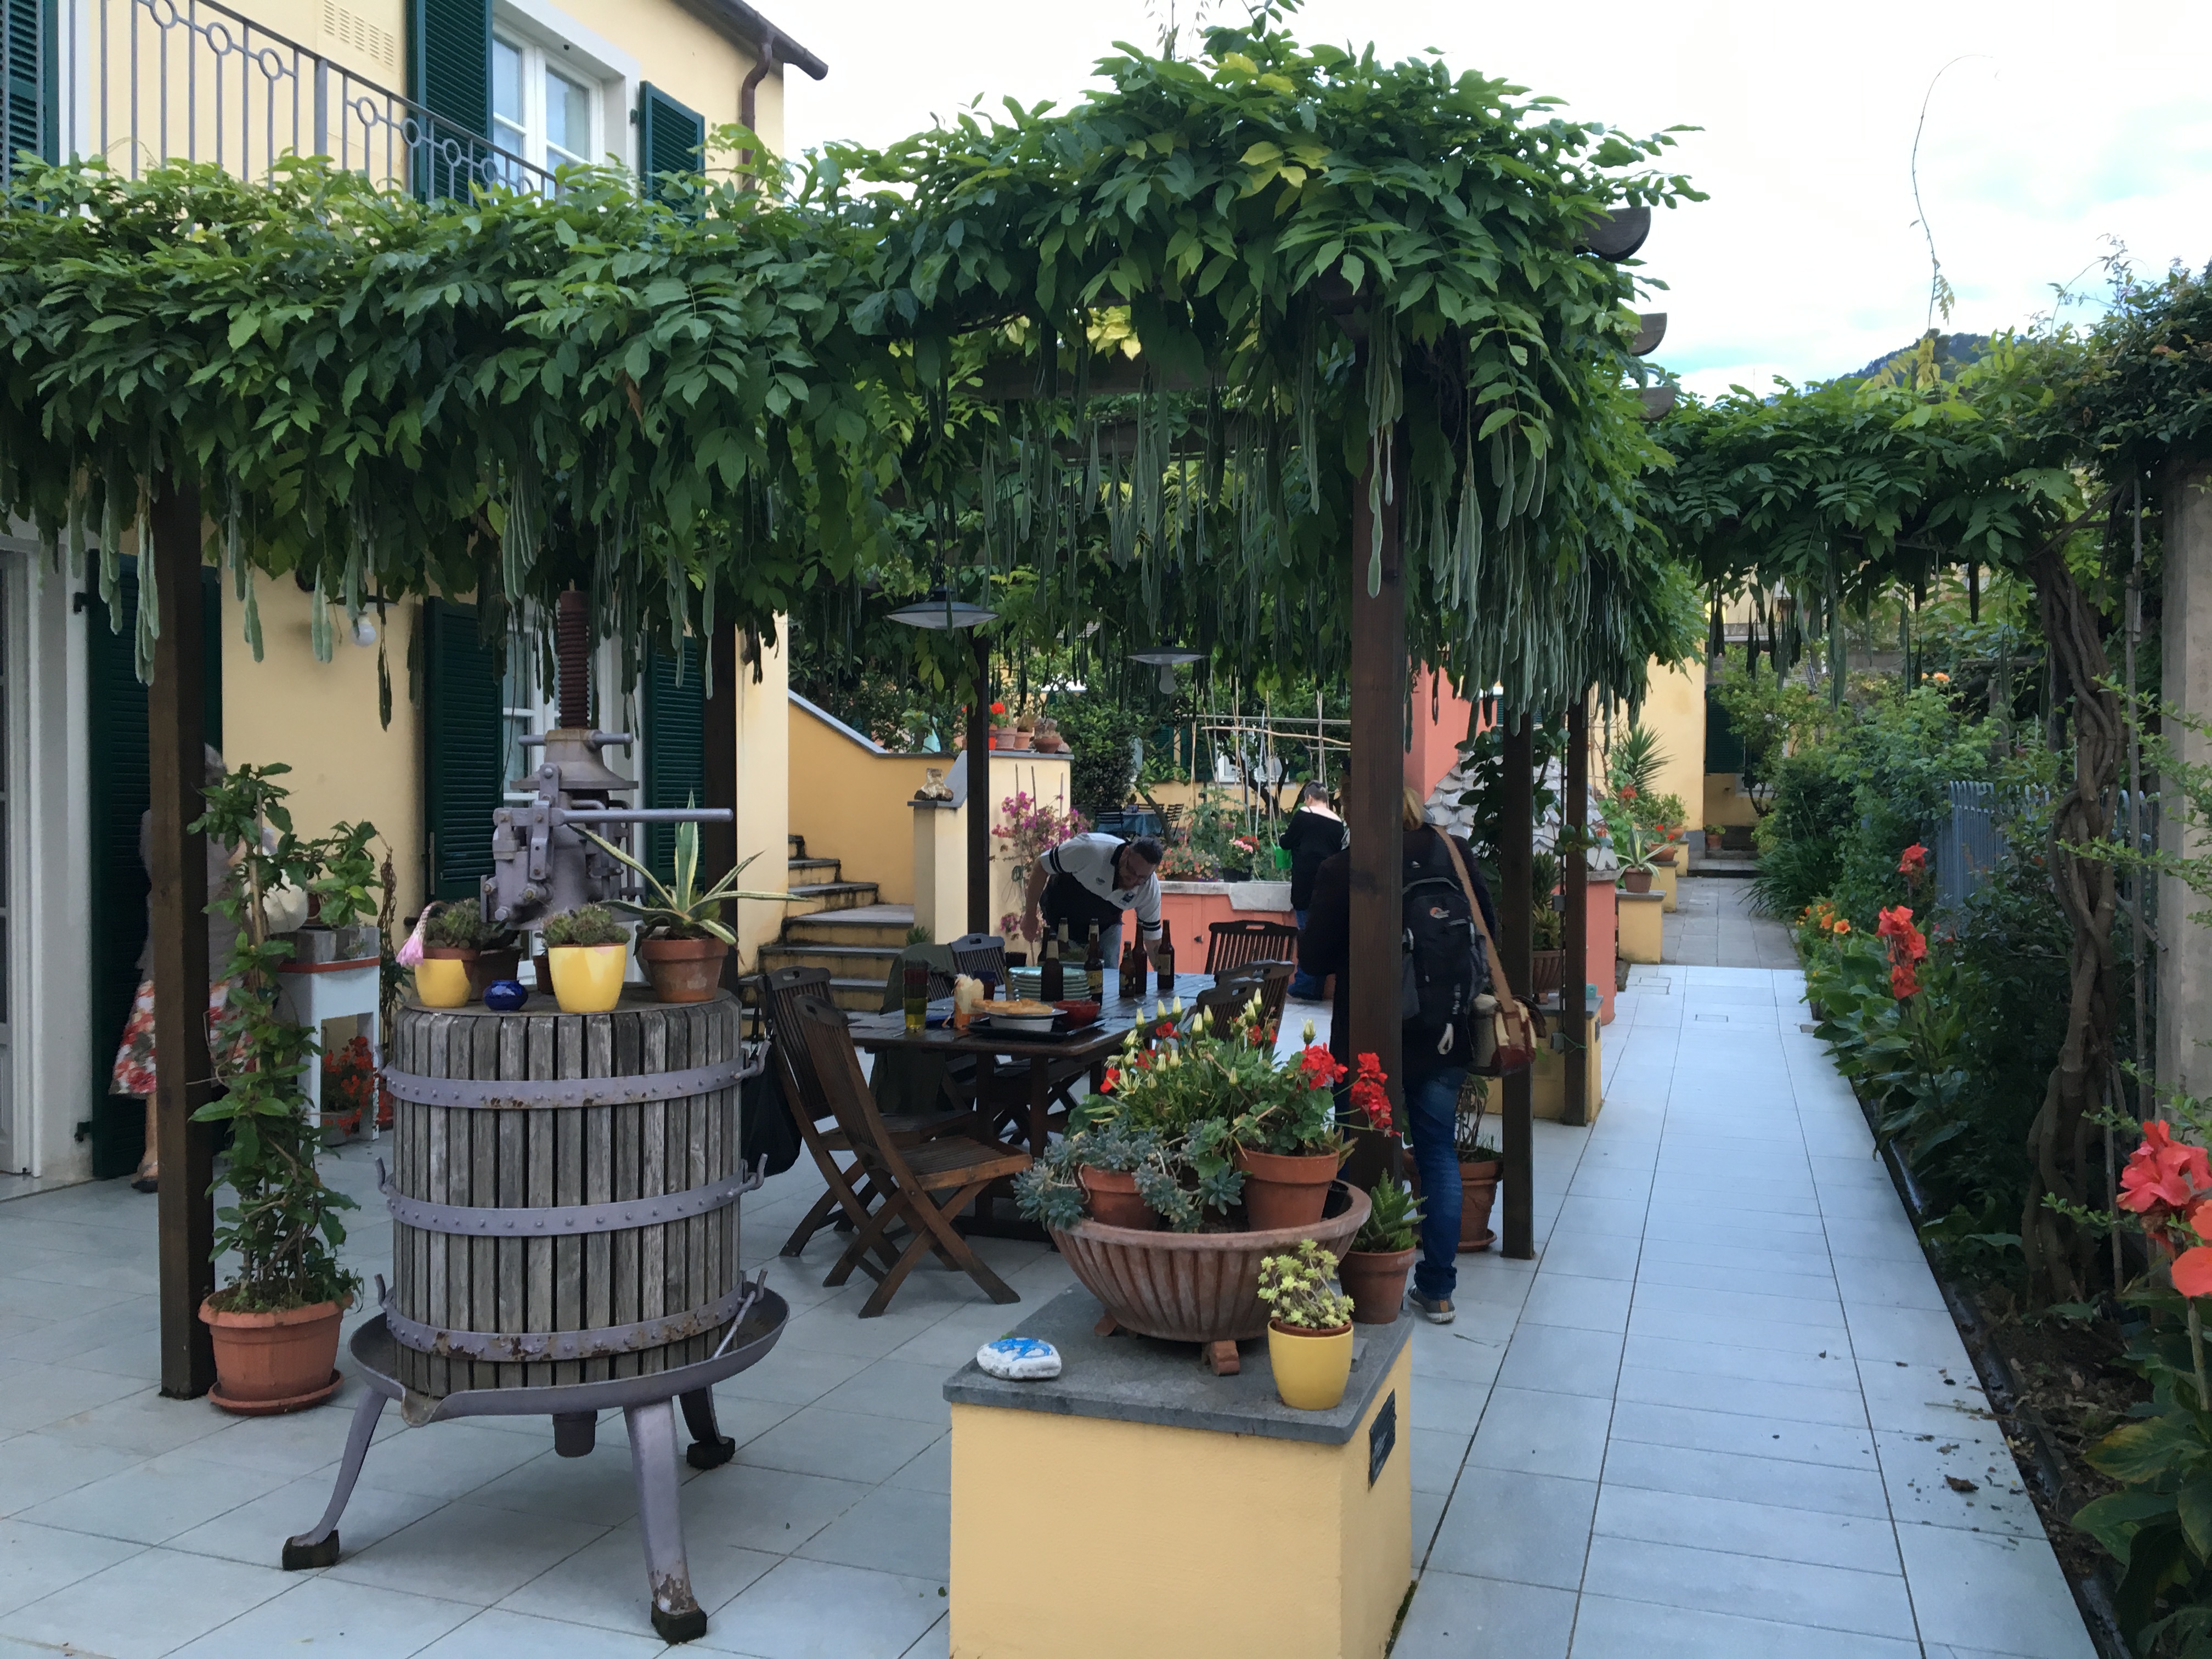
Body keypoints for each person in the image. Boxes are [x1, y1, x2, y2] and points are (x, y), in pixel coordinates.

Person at [1296, 787, 1498, 1325]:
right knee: (1437, 1152)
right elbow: (1488, 930)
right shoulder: (1454, 852)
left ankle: (1358, 1281)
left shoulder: (1345, 867)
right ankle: (1438, 1290)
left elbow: (1313, 959)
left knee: (1356, 1147)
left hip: (1368, 1036)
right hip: (1445, 1030)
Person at [109, 746, 249, 1193]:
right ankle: (251, 1147)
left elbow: (156, 871)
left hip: (165, 958)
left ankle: (154, 1157)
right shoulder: (233, 825)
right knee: (238, 1057)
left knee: (158, 1057)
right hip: (223, 955)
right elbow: (247, 881)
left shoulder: (154, 822)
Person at [1017, 831, 1167, 969]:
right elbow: (1042, 865)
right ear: (1125, 853)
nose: (1133, 880)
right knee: (1060, 974)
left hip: (1106, 925)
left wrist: (1163, 975)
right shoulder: (1091, 850)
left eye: (1141, 878)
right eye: (1131, 871)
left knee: (1108, 975)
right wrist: (1030, 916)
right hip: (1061, 916)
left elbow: (1153, 939)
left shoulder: (1149, 889)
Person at [1278, 781, 1346, 1000]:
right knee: (1321, 935)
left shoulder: (1303, 816)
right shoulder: (1337, 823)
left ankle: (1304, 985)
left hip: (1305, 884)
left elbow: (1287, 842)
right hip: (1330, 885)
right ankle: (1315, 986)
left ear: (1309, 798)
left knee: (1306, 933)